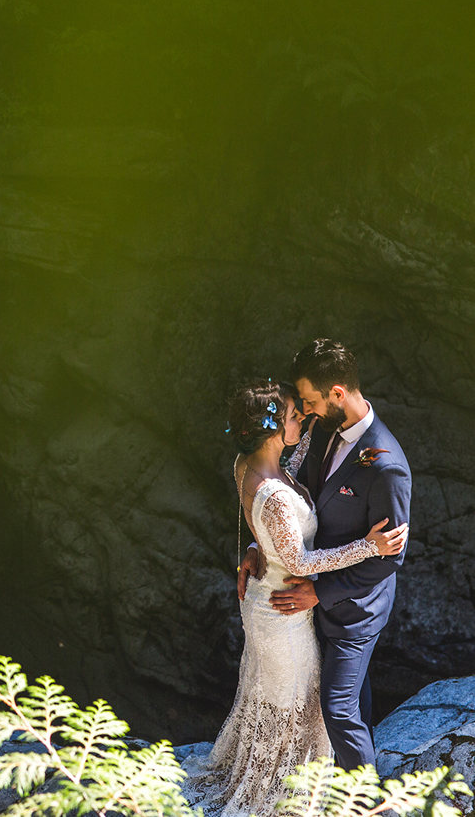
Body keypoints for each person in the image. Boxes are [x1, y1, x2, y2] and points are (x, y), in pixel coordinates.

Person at [184, 379, 407, 817]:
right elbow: (302, 563)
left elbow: (283, 485)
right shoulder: (274, 495)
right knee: (297, 706)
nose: (302, 418)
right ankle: (277, 792)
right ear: (272, 431)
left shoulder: (248, 463)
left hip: (269, 597)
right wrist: (370, 545)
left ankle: (283, 776)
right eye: (293, 415)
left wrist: (255, 548)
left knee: (279, 700)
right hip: (284, 611)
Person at [237, 339, 412, 770]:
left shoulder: (387, 467)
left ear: (336, 393)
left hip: (353, 608)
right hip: (307, 600)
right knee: (355, 698)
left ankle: (368, 803)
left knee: (336, 708)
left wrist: (319, 592)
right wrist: (261, 543)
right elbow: (294, 496)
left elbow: (388, 557)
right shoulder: (320, 429)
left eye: (311, 401)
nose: (305, 410)